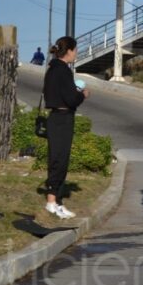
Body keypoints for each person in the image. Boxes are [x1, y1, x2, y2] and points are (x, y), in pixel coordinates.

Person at [43, 36, 90, 219]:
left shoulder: (52, 69)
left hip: (55, 117)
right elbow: (71, 98)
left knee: (57, 158)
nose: (76, 54)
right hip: (62, 119)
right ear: (69, 50)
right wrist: (82, 94)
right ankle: (52, 201)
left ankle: (55, 200)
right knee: (60, 159)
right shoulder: (63, 71)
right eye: (75, 50)